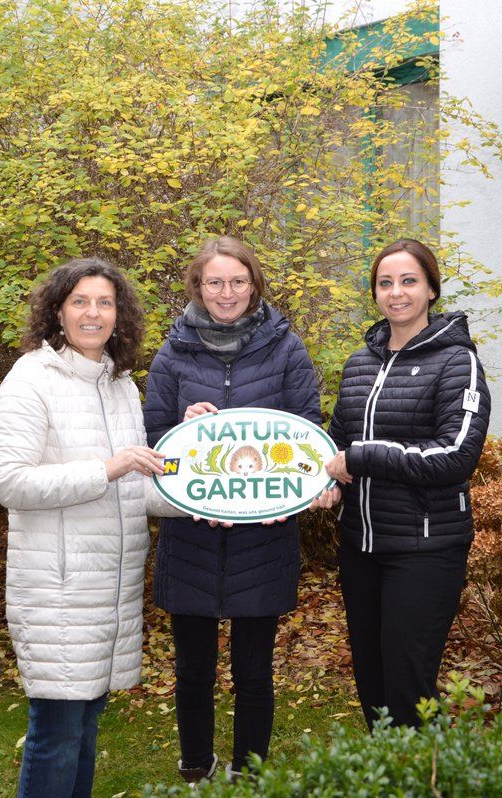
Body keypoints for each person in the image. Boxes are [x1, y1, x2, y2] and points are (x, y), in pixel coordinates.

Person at [0, 257, 178, 798]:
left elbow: (136, 489)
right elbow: (11, 482)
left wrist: (200, 496)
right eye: (80, 302)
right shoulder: (31, 378)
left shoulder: (118, 384)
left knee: (86, 723)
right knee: (56, 731)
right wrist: (107, 467)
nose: (93, 313)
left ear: (120, 315)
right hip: (58, 588)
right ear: (57, 311)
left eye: (105, 302)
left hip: (108, 590)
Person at [143, 236, 322, 783]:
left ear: (254, 285)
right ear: (198, 287)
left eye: (237, 282)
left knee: (253, 669)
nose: (226, 293)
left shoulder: (287, 349)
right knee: (193, 669)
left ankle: (250, 771)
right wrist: (185, 433)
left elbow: (309, 434)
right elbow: (152, 444)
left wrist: (288, 495)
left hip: (262, 537)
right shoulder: (173, 354)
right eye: (215, 282)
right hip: (191, 535)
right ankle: (196, 765)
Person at [312, 238, 490, 730]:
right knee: (371, 680)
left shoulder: (458, 363)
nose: (396, 293)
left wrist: (361, 457)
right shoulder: (358, 365)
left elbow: (455, 456)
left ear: (431, 288)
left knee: (408, 682)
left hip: (425, 549)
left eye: (409, 281)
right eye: (385, 283)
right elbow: (338, 443)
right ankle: (388, 772)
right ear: (374, 293)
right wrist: (331, 485)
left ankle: (420, 777)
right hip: (361, 547)